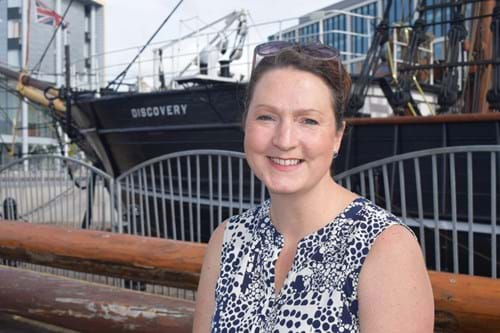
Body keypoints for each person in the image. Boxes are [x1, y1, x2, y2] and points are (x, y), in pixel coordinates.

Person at [193, 41, 434, 332]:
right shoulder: (228, 240)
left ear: (337, 137)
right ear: (246, 125)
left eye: (308, 120)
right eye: (266, 117)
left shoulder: (385, 249)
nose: (284, 140)